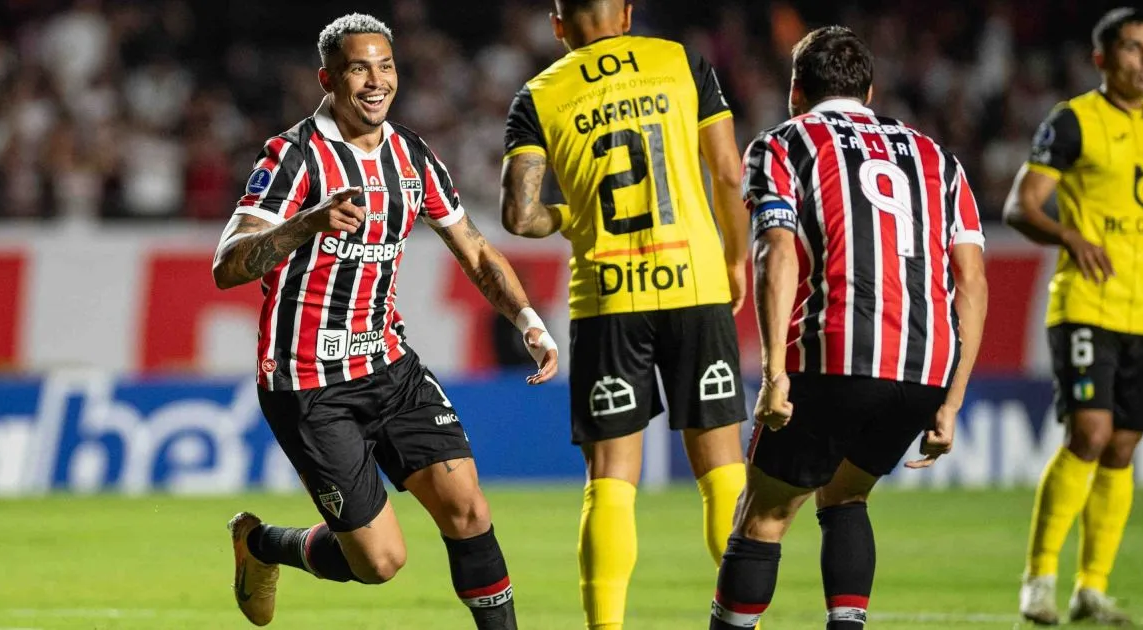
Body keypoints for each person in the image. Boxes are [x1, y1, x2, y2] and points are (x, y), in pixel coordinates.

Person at [211, 13, 558, 630]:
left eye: (386, 66)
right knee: (379, 561)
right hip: (309, 383)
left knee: (468, 510)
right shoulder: (292, 159)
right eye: (358, 68)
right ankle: (262, 545)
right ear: (327, 78)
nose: (376, 82)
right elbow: (227, 266)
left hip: (389, 365)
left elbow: (475, 249)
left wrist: (527, 319)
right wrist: (305, 224)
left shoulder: (410, 155)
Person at [708, 26, 988, 630]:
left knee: (762, 516)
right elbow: (971, 280)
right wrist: (952, 400)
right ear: (870, 89)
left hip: (836, 350)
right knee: (847, 496)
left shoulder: (783, 143)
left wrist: (775, 373)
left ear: (795, 90)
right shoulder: (938, 156)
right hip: (925, 364)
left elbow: (775, 254)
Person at [499, 0, 750, 627]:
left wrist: (570, 216)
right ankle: (745, 620)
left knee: (611, 477)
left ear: (558, 24)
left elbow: (520, 217)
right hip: (694, 281)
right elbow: (726, 171)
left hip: (607, 296)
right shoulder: (681, 62)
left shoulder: (538, 94)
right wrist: (738, 259)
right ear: (628, 12)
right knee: (722, 468)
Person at [1004, 8, 1143, 626]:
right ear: (1103, 59)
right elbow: (1022, 205)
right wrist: (1070, 235)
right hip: (1087, 307)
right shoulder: (1073, 122)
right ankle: (1037, 580)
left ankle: (1090, 588)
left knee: (1123, 447)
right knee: (1089, 434)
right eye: (1133, 48)